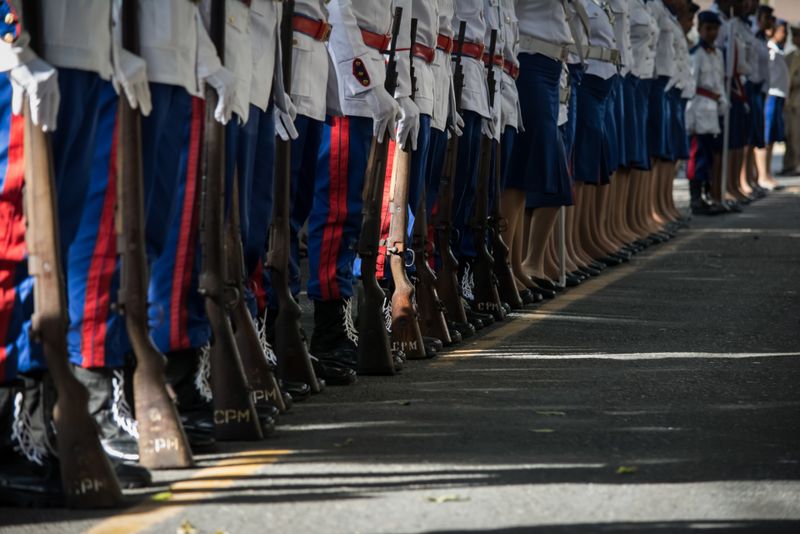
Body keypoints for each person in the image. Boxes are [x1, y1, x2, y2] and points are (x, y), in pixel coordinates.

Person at [0, 0, 154, 505]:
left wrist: (111, 45)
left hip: (83, 47)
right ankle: (11, 425)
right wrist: (8, 34)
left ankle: (36, 420)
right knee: (17, 241)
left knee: (58, 252)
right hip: (26, 45)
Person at [686, 10, 728, 216]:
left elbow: (719, 82)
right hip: (699, 108)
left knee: (710, 157)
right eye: (708, 29)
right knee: (698, 156)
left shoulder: (718, 53)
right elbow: (691, 86)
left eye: (715, 29)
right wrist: (689, 116)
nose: (712, 33)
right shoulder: (696, 55)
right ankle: (695, 199)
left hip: (714, 109)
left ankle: (707, 194)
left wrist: (723, 102)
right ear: (700, 29)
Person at [761, 19, 789, 186]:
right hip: (770, 95)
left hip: (778, 95)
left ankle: (767, 172)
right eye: (782, 31)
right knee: (765, 137)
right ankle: (762, 174)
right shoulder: (769, 49)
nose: (784, 35)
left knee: (772, 138)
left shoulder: (779, 51)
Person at [781, 21, 800, 176]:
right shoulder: (791, 57)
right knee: (792, 135)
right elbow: (787, 80)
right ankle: (791, 164)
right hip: (794, 102)